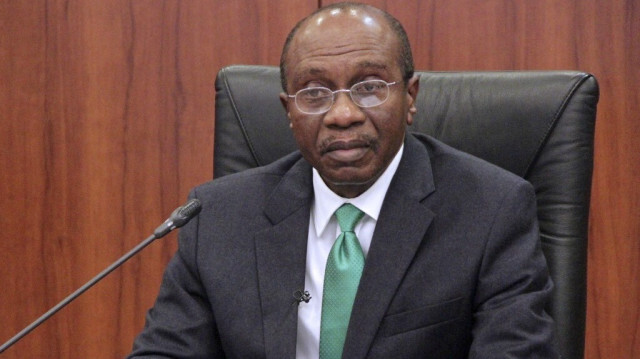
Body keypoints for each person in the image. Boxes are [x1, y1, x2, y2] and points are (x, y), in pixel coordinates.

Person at [128, 2, 556, 358]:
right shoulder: (218, 218)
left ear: (410, 97)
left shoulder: (492, 210)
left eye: (369, 86)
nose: (342, 114)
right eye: (314, 93)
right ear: (289, 111)